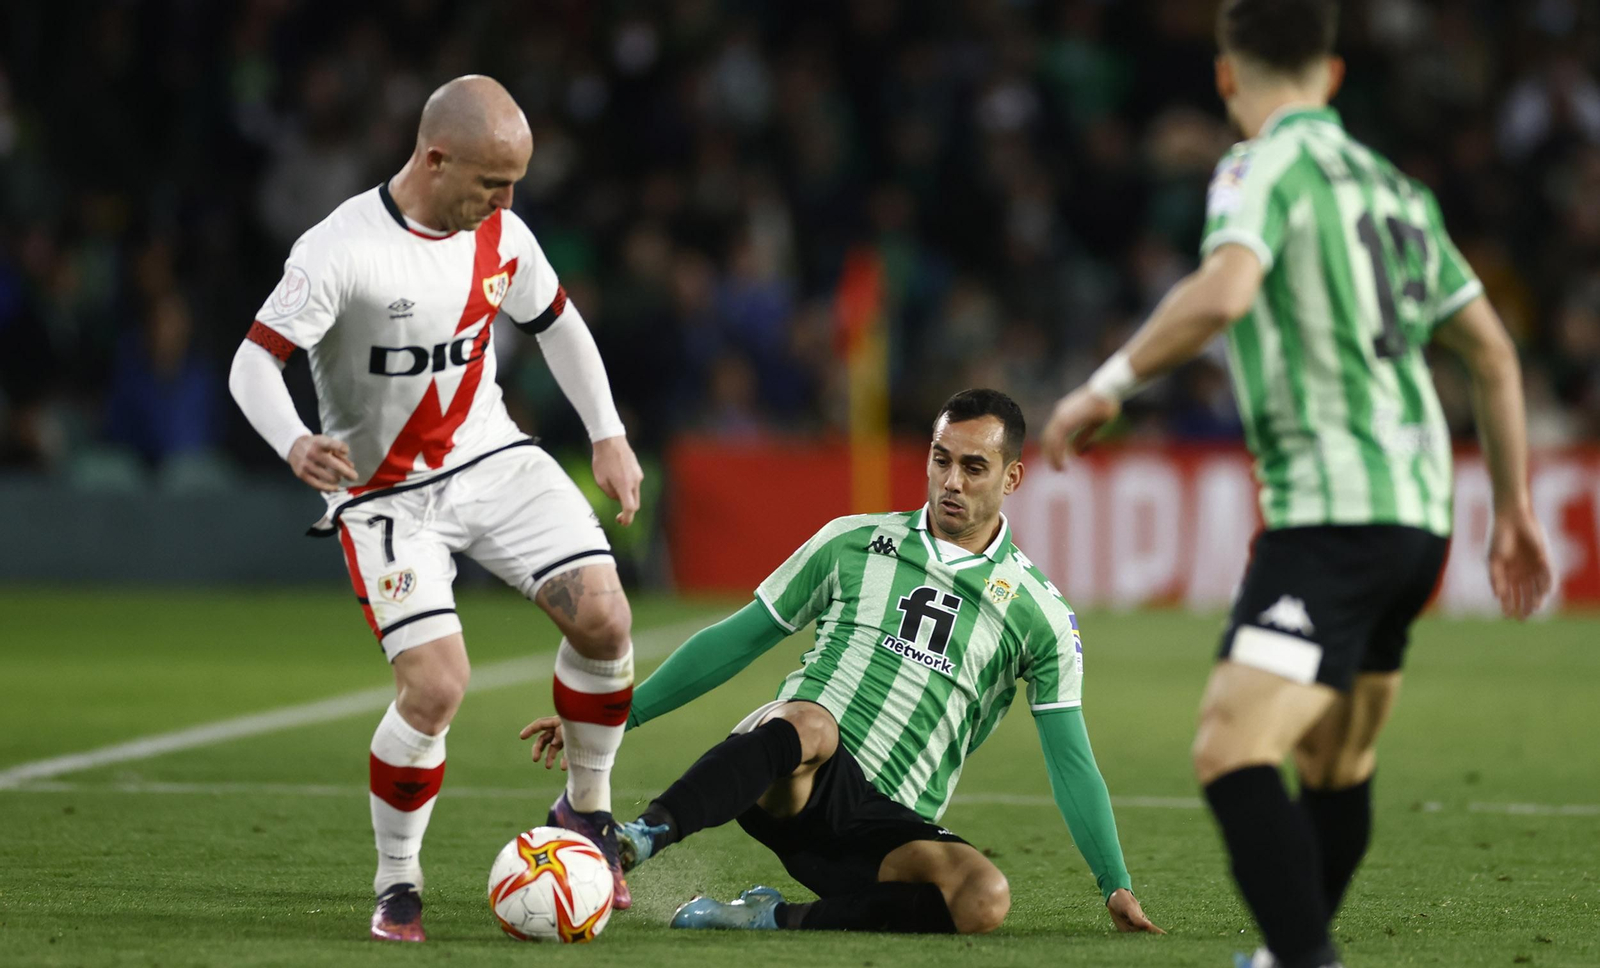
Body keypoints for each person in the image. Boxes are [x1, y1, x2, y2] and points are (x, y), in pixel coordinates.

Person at [1040, 3, 1555, 967]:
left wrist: (1106, 383)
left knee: (1229, 750)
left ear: (1228, 78)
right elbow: (1491, 351)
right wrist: (1516, 509)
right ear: (1335, 74)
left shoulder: (1258, 165)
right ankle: (1293, 955)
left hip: (1333, 511)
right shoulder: (1401, 191)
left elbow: (1227, 290)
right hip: (1419, 517)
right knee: (1335, 761)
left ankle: (1303, 961)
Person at [228, 75, 646, 942]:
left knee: (605, 618)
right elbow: (251, 364)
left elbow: (558, 322)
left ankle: (586, 813)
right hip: (385, 495)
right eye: (494, 182)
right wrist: (295, 443)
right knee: (436, 687)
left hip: (491, 456)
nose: (507, 200)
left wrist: (606, 433)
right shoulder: (339, 249)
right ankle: (398, 882)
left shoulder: (502, 233)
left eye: (515, 183)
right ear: (434, 157)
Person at [524, 389, 1163, 936]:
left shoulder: (1039, 612)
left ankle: (767, 919)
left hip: (886, 826)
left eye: (974, 467)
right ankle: (636, 839)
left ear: (1012, 478)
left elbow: (1069, 756)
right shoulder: (852, 542)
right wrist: (616, 715)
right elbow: (738, 639)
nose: (951, 482)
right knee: (815, 724)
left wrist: (1115, 882)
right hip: (790, 773)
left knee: (983, 898)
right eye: (941, 460)